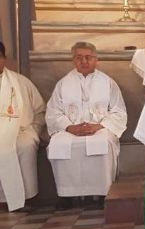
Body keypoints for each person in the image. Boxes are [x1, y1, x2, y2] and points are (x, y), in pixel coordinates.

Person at [46, 42, 127, 210]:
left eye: (88, 57)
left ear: (96, 59)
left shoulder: (108, 83)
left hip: (99, 128)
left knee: (103, 143)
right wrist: (69, 127)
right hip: (71, 129)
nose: (84, 61)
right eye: (79, 57)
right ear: (73, 60)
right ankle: (67, 195)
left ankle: (102, 193)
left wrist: (98, 126)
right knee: (58, 143)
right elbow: (53, 112)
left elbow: (119, 112)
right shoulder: (63, 84)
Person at [0, 41, 45, 212]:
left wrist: (34, 129)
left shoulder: (20, 82)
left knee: (25, 144)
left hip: (21, 130)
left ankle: (27, 197)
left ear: (4, 58)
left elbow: (40, 110)